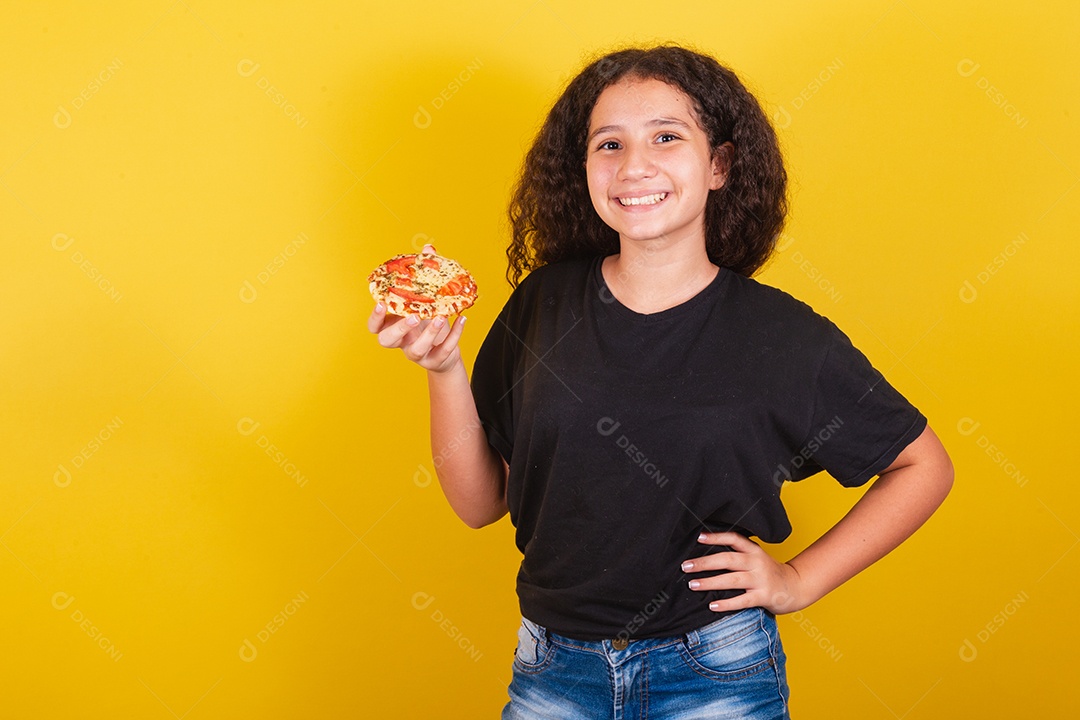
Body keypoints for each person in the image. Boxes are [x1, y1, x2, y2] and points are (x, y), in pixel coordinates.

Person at [369, 44, 953, 720]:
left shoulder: (783, 336)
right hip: (553, 672)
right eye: (608, 144)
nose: (633, 166)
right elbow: (478, 504)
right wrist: (444, 370)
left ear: (719, 165)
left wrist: (798, 580)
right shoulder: (543, 305)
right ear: (582, 168)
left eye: (666, 137)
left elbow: (924, 465)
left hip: (715, 674)